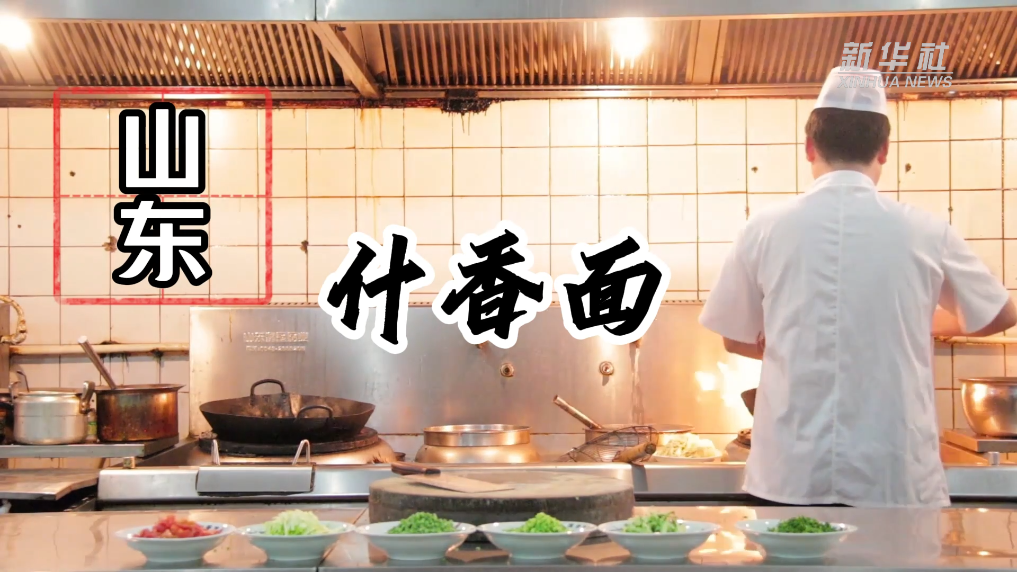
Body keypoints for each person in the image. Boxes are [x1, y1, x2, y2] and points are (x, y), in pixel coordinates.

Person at [699, 66, 1016, 508]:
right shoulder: (927, 232)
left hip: (791, 475)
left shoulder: (764, 229)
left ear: (809, 147)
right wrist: (914, 323)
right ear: (883, 150)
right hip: (894, 476)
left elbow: (734, 338)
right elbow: (1000, 313)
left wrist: (797, 340)